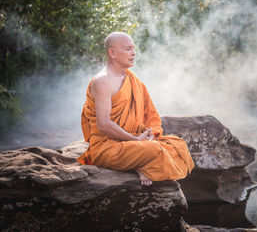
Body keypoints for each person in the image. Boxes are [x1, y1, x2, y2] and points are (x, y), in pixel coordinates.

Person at [76, 32, 194, 186]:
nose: (133, 53)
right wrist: (136, 140)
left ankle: (138, 164)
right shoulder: (103, 81)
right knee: (153, 150)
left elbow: (148, 113)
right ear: (112, 52)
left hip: (133, 140)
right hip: (107, 146)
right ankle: (140, 166)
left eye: (133, 49)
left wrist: (147, 132)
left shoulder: (132, 78)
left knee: (178, 145)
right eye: (128, 49)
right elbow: (103, 124)